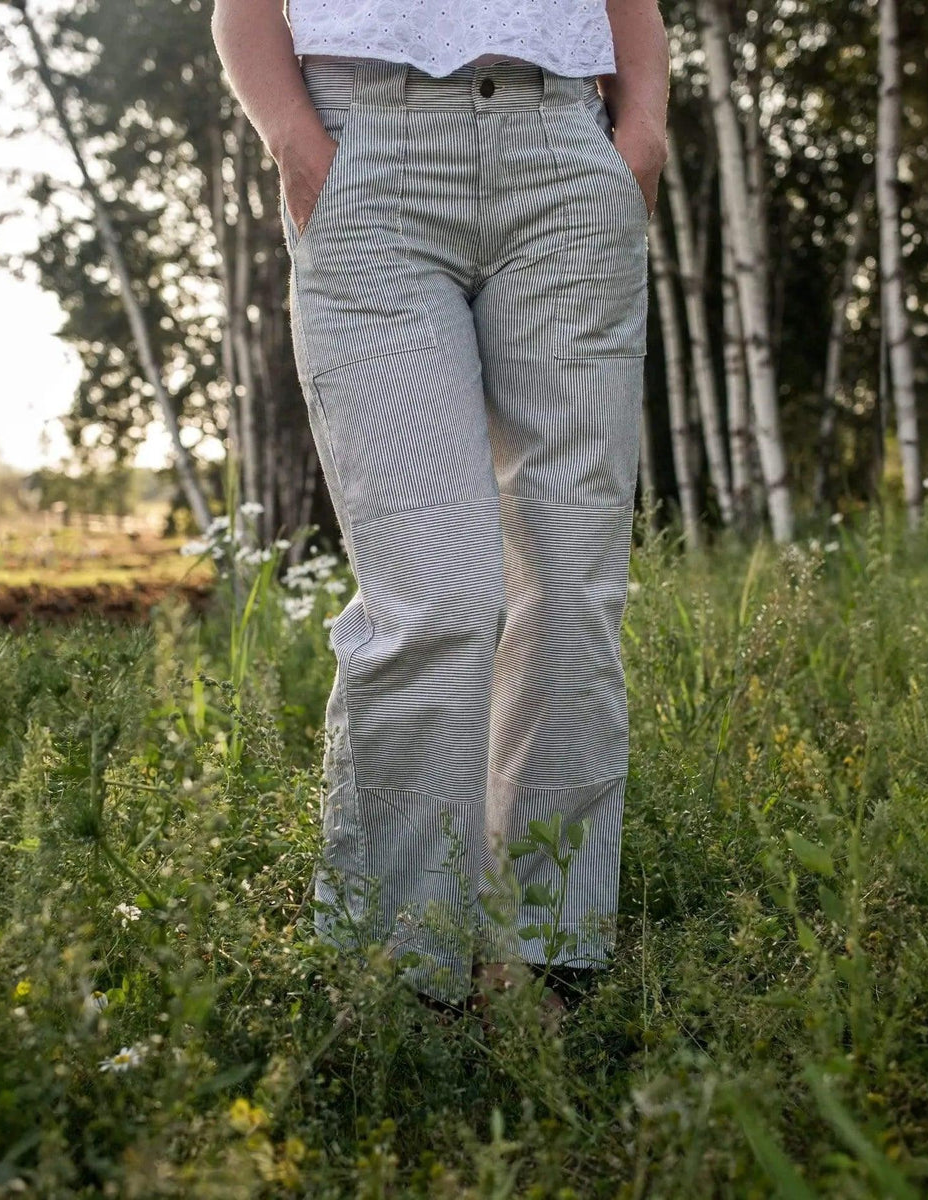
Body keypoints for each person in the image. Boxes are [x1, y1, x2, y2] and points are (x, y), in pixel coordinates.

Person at [211, 0, 669, 1015]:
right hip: (366, 155)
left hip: (561, 152)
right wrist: (297, 144)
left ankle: (550, 951)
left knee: (569, 586)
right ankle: (400, 969)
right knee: (436, 597)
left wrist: (640, 137)